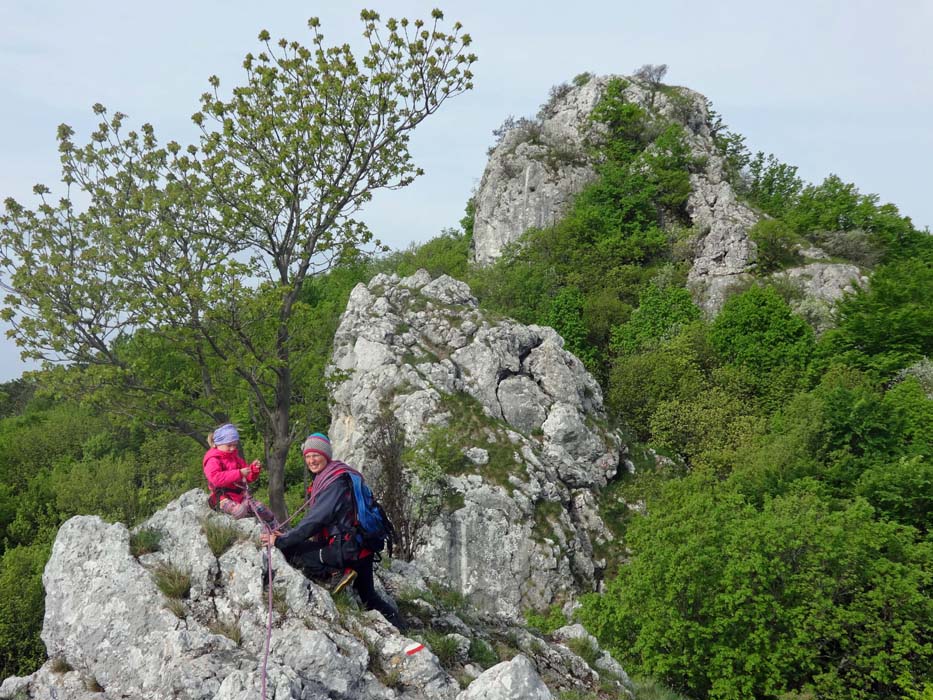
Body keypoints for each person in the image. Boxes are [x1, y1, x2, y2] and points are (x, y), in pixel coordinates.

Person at [260, 432, 404, 629]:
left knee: (291, 551)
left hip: (344, 550)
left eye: (316, 455)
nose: (311, 460)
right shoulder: (340, 474)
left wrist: (280, 541)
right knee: (368, 596)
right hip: (362, 548)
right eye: (308, 456)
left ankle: (337, 572)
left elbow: (314, 521)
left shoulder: (333, 483)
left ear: (326, 455)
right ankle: (401, 627)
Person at [203, 423, 277, 528]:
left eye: (235, 445)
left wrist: (253, 470)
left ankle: (276, 529)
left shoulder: (235, 459)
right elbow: (216, 478)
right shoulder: (213, 460)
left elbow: (247, 477)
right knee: (239, 511)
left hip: (240, 497)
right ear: (218, 444)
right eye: (229, 445)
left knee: (262, 509)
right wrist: (239, 473)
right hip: (222, 498)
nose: (232, 448)